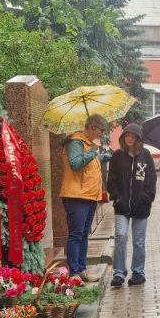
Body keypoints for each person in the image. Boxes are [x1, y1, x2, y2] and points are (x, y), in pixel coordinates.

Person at [60, 114, 111, 282]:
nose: (101, 134)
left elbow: (89, 164)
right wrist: (93, 152)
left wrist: (103, 157)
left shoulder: (88, 144)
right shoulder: (75, 142)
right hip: (76, 196)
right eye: (100, 130)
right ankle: (74, 273)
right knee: (76, 235)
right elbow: (75, 164)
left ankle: (82, 269)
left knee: (83, 235)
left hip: (89, 196)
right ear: (92, 127)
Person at [107, 124, 156, 288]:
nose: (129, 139)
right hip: (122, 206)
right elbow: (111, 179)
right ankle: (119, 273)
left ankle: (138, 273)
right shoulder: (117, 156)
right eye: (127, 135)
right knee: (120, 236)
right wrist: (116, 197)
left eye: (133, 136)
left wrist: (147, 197)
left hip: (141, 206)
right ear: (123, 138)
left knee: (139, 241)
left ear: (138, 139)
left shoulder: (145, 155)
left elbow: (152, 178)